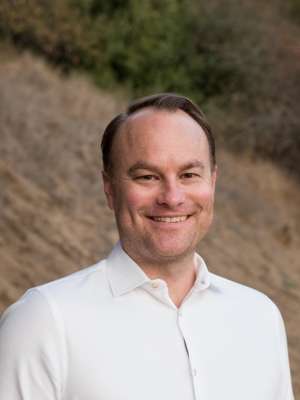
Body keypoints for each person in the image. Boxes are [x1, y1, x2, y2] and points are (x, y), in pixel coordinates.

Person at [0, 93, 294, 400]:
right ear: (110, 189)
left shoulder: (260, 318)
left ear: (213, 182)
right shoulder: (43, 321)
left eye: (189, 174)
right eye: (147, 176)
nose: (172, 197)